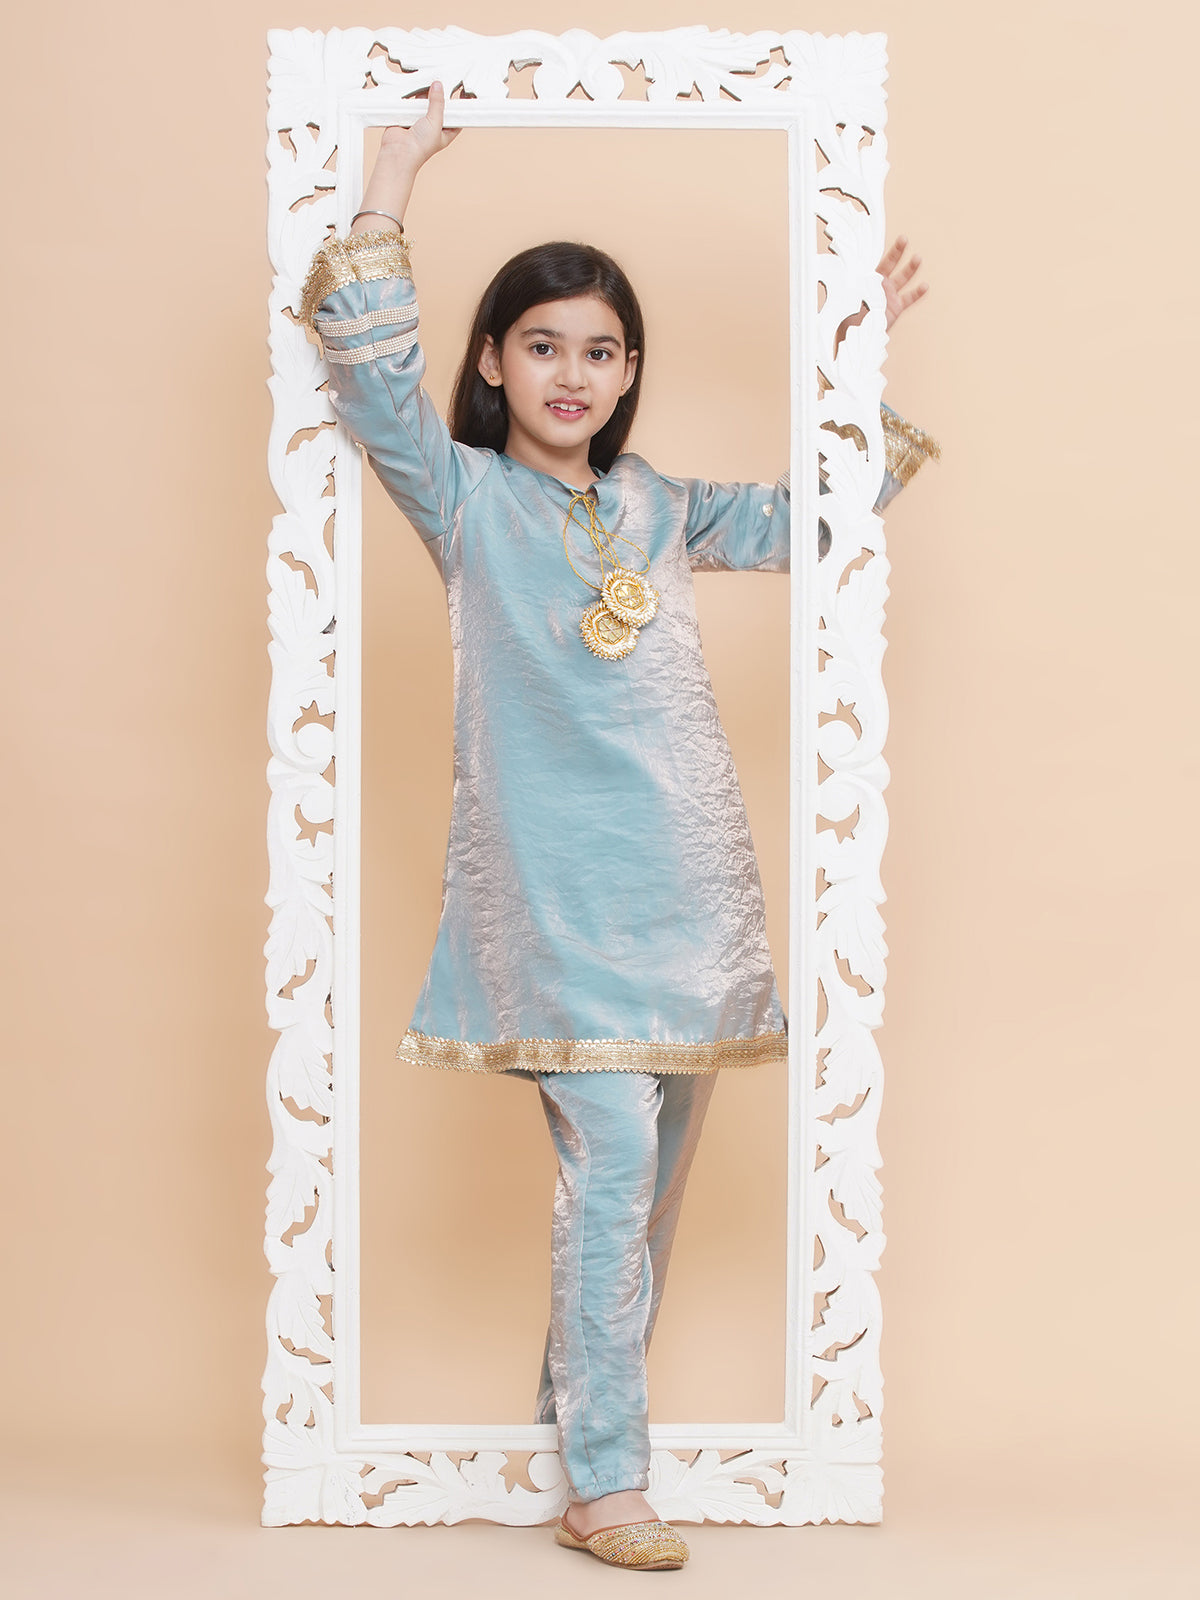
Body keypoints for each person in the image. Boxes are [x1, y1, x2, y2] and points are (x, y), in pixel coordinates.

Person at [298, 82, 938, 1571]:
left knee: (642, 1196)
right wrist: (395, 170)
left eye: (598, 350)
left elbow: (818, 521)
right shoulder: (464, 499)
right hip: (558, 895)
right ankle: (606, 1483)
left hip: (688, 892)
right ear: (492, 360)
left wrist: (857, 344)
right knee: (609, 1173)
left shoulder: (656, 503)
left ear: (630, 368)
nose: (571, 373)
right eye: (541, 345)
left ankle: (572, 1432)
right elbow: (369, 374)